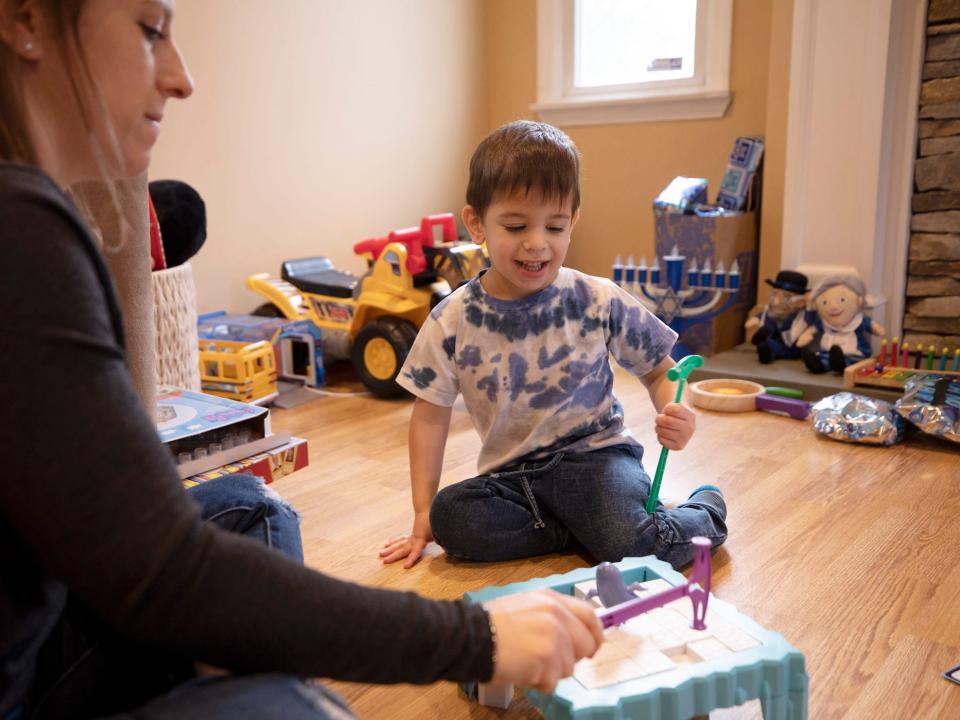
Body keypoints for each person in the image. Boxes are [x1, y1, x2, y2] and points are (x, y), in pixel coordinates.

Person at [0, 3, 602, 719]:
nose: (182, 77)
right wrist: (475, 638)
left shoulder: (34, 215)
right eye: (150, 29)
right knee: (291, 709)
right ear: (26, 17)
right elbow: (164, 572)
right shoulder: (21, 233)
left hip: (48, 631)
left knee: (252, 509)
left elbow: (122, 539)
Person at [381, 121, 728, 573]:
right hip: (513, 479)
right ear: (476, 224)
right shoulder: (451, 319)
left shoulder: (597, 297)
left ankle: (705, 509)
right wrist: (422, 513)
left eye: (555, 226)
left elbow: (661, 371)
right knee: (451, 519)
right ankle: (580, 528)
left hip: (598, 461)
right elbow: (429, 417)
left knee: (634, 548)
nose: (536, 243)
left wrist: (672, 410)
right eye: (515, 225)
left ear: (573, 222)